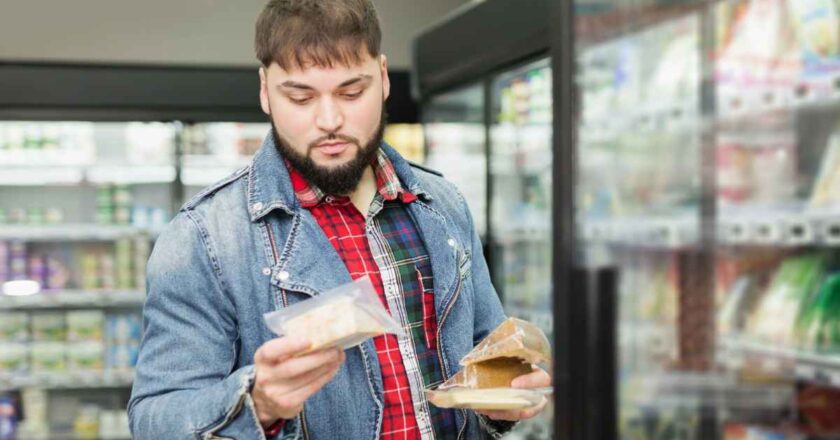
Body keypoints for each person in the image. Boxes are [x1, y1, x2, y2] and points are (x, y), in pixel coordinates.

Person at [127, 0, 551, 438]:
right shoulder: (204, 238)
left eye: (352, 93)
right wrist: (257, 403)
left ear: (384, 78)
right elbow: (155, 420)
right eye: (301, 96)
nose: (329, 121)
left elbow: (488, 356)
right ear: (264, 91)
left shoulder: (442, 203)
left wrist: (506, 395)